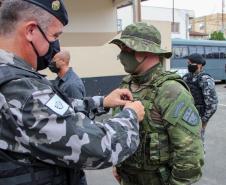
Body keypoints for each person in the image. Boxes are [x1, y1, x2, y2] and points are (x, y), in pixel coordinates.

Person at [0, 1, 145, 185]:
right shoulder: (19, 89)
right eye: (55, 36)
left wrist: (101, 102)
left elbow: (55, 110)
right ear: (30, 31)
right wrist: (131, 116)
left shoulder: (13, 77)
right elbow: (98, 148)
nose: (56, 47)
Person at [110, 22, 204, 185]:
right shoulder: (126, 86)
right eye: (121, 49)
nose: (121, 55)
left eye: (127, 49)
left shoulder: (171, 91)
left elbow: (190, 155)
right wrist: (117, 165)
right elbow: (119, 131)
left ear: (147, 50)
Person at [49, 50, 87, 185]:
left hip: (71, 144)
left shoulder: (72, 85)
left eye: (54, 60)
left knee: (74, 178)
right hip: (61, 140)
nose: (51, 63)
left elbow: (79, 117)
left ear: (64, 61)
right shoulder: (59, 81)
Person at [182, 53, 218, 142]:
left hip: (197, 119)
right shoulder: (185, 78)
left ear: (200, 65)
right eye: (188, 63)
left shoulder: (205, 79)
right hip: (184, 118)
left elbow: (212, 104)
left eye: (191, 63)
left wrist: (203, 121)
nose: (189, 65)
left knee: (197, 146)